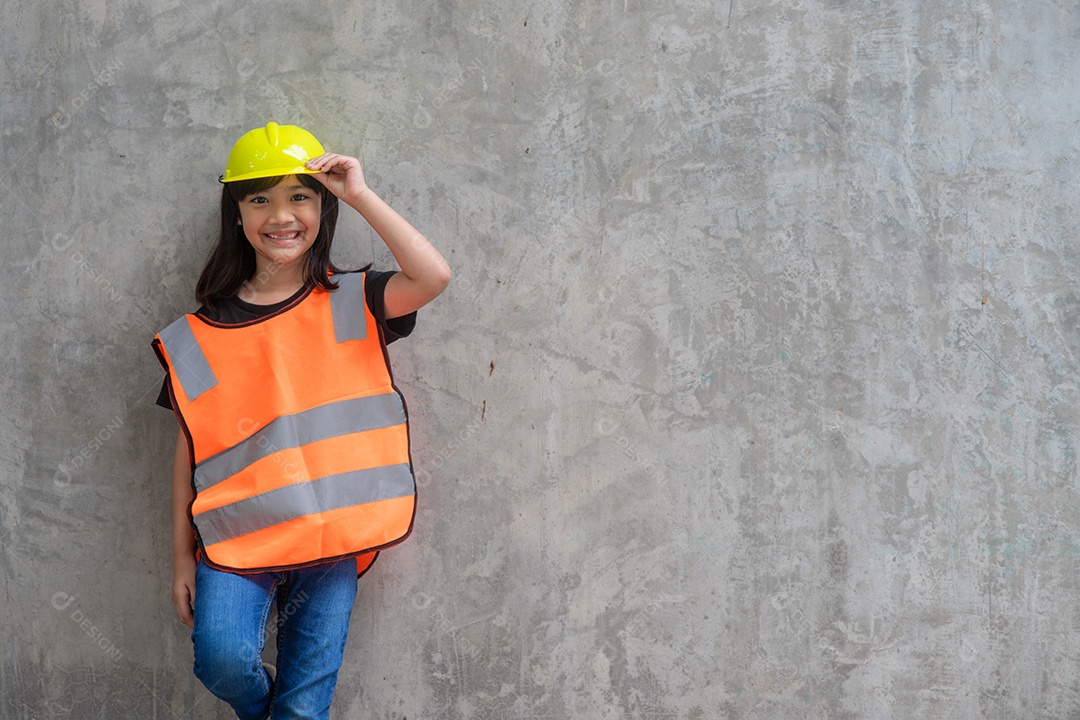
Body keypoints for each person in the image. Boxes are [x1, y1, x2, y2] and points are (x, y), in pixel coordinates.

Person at [151, 122, 451, 719]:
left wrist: (358, 193)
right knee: (222, 660)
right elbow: (190, 449)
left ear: (323, 207)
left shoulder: (354, 298)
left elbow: (433, 276)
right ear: (236, 214)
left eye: (300, 196)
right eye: (259, 198)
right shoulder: (195, 339)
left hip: (333, 535)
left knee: (306, 702)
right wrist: (183, 557)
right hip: (237, 539)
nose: (281, 215)